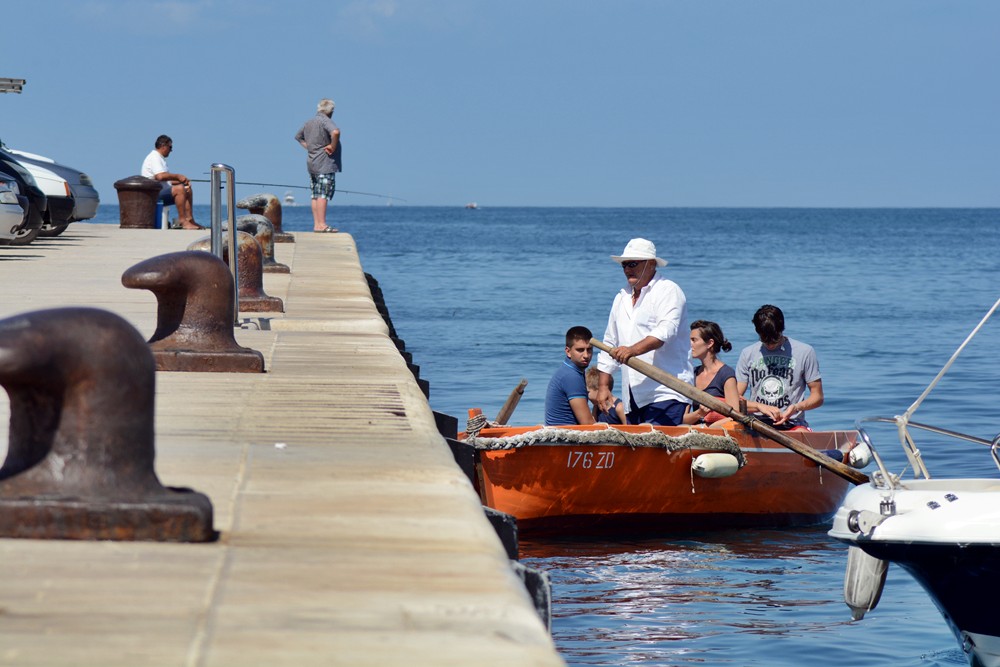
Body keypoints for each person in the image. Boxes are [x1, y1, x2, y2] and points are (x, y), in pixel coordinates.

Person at [595, 238, 694, 426]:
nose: (627, 269)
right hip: (633, 394)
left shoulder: (668, 290)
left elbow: (665, 332)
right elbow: (610, 342)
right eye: (624, 265)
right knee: (639, 449)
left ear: (650, 264)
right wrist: (603, 386)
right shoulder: (621, 297)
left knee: (655, 445)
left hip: (666, 391)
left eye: (633, 264)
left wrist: (632, 350)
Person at [736, 304, 824, 430]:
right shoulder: (747, 353)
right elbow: (734, 399)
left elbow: (818, 397)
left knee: (799, 433)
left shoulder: (805, 352)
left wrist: (796, 407)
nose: (770, 345)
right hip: (756, 423)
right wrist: (759, 407)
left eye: (774, 340)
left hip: (792, 423)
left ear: (782, 329)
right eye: (765, 340)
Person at [295, 98, 342, 233]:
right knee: (323, 194)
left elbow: (298, 137)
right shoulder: (326, 121)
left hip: (312, 162)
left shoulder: (309, 122)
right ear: (331, 111)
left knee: (315, 194)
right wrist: (332, 147)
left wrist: (310, 148)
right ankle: (322, 224)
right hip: (324, 163)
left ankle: (317, 224)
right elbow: (336, 132)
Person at [683, 320, 740, 425]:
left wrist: (709, 428)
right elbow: (684, 419)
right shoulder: (692, 374)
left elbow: (735, 417)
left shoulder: (726, 374)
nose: (689, 344)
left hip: (718, 434)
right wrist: (699, 413)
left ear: (710, 343)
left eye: (693, 340)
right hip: (695, 434)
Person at [140, 134, 202, 229]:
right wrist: (178, 176)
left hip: (161, 191)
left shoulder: (160, 158)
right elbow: (160, 176)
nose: (171, 150)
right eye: (170, 147)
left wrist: (184, 181)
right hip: (153, 195)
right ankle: (183, 221)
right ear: (163, 146)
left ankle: (190, 220)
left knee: (186, 188)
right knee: (179, 189)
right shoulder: (154, 157)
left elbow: (166, 181)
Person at [544, 326, 597, 426]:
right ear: (568, 351)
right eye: (580, 350)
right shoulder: (571, 376)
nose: (586, 355)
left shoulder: (568, 370)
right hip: (564, 438)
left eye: (589, 350)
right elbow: (587, 423)